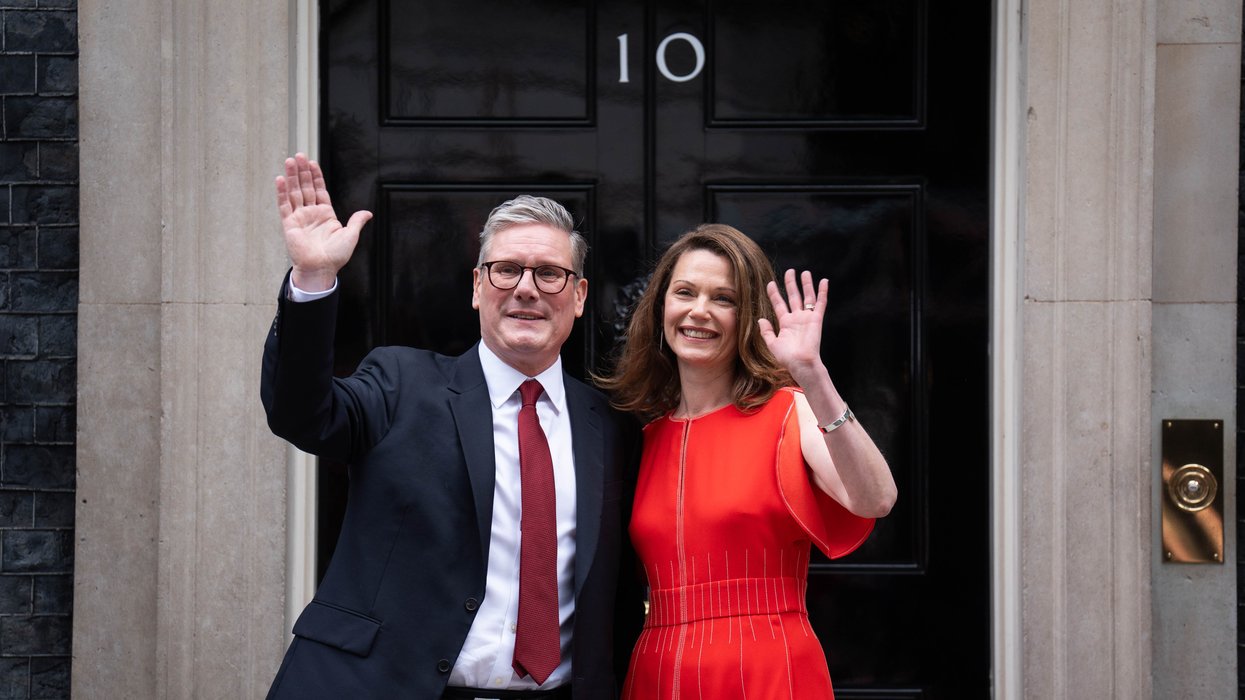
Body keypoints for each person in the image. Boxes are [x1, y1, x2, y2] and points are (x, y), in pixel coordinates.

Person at [260, 153, 641, 699]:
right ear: (477, 287)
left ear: (578, 296)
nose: (527, 289)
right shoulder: (401, 383)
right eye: (507, 270)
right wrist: (314, 279)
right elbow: (300, 413)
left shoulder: (611, 426)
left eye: (549, 273)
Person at [597, 224, 897, 699]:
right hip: (658, 671)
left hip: (767, 666)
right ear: (660, 308)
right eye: (685, 292)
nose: (699, 310)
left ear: (749, 316)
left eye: (724, 298)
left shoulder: (788, 411)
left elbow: (875, 499)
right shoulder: (644, 439)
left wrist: (812, 376)